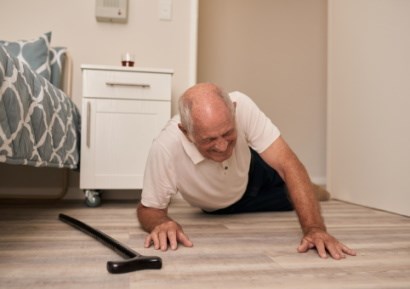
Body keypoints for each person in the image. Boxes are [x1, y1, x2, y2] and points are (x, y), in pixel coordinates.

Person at [137, 83, 356, 260]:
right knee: (289, 200)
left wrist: (315, 228)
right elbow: (149, 209)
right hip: (224, 206)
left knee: (293, 182)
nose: (222, 147)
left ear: (233, 111)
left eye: (228, 133)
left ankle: (313, 190)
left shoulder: (242, 105)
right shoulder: (165, 147)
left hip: (254, 168)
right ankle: (310, 191)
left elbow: (289, 165)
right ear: (185, 132)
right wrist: (160, 223)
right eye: (209, 140)